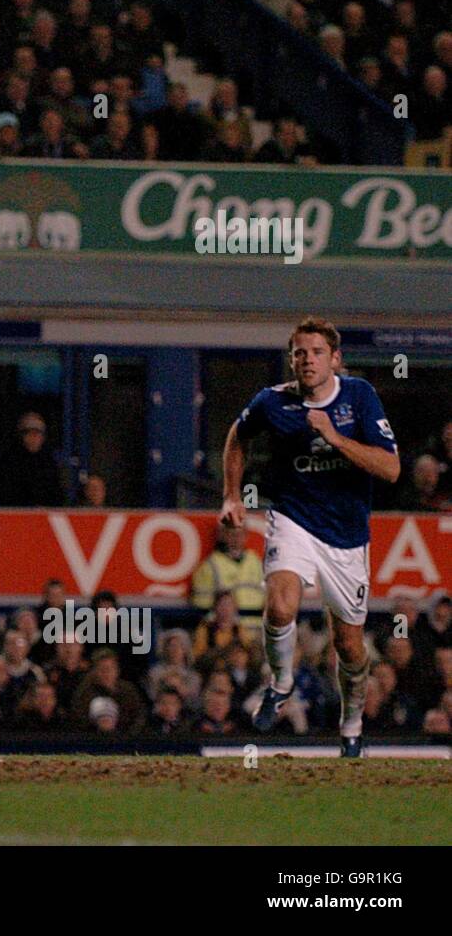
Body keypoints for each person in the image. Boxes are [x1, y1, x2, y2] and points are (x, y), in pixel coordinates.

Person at [220, 317, 399, 756]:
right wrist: (230, 495)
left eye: (317, 352)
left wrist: (335, 437)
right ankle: (279, 683)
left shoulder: (360, 397)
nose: (307, 360)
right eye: (299, 353)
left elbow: (391, 469)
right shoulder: (272, 402)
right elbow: (236, 438)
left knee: (349, 645)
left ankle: (352, 723)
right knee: (280, 606)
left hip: (346, 535)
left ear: (334, 359)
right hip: (292, 518)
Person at [191, 522, 265, 634]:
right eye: (231, 534)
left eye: (240, 534)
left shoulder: (255, 561)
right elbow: (202, 608)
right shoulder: (210, 566)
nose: (236, 539)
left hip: (257, 633)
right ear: (222, 536)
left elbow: (268, 597)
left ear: (246, 536)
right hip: (227, 637)